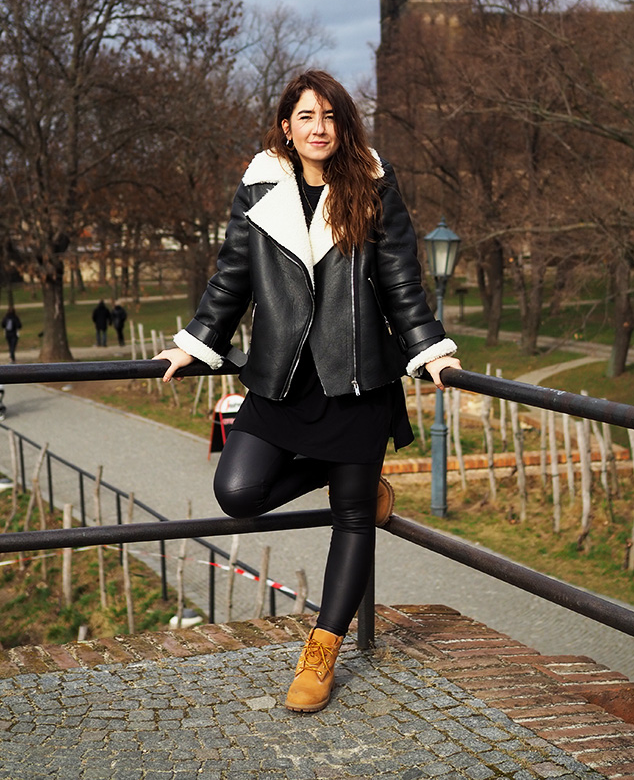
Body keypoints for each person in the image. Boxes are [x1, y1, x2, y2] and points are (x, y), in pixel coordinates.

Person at [156, 70, 460, 714]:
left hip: (357, 377)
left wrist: (430, 348)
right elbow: (232, 276)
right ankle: (357, 473)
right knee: (238, 492)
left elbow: (402, 279)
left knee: (352, 518)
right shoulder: (259, 187)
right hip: (283, 376)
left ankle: (321, 653)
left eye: (330, 116)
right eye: (306, 116)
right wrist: (195, 342)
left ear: (343, 125)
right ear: (286, 127)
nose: (319, 128)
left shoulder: (373, 184)